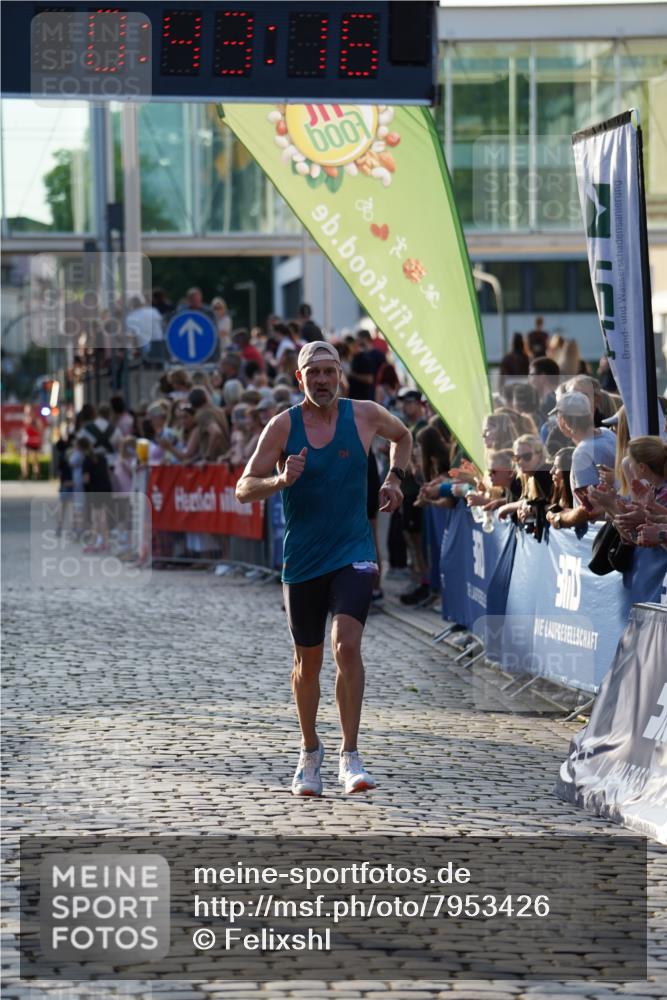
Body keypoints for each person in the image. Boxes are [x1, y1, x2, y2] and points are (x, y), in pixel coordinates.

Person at [236, 341, 412, 796]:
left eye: (329, 371)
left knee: (346, 646)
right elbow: (243, 487)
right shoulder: (282, 426)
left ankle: (350, 754)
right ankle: (309, 751)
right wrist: (280, 479)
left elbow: (404, 436)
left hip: (354, 549)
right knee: (306, 662)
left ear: (340, 376)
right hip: (304, 559)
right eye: (312, 372)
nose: (322, 379)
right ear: (300, 378)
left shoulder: (365, 415)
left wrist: (394, 478)